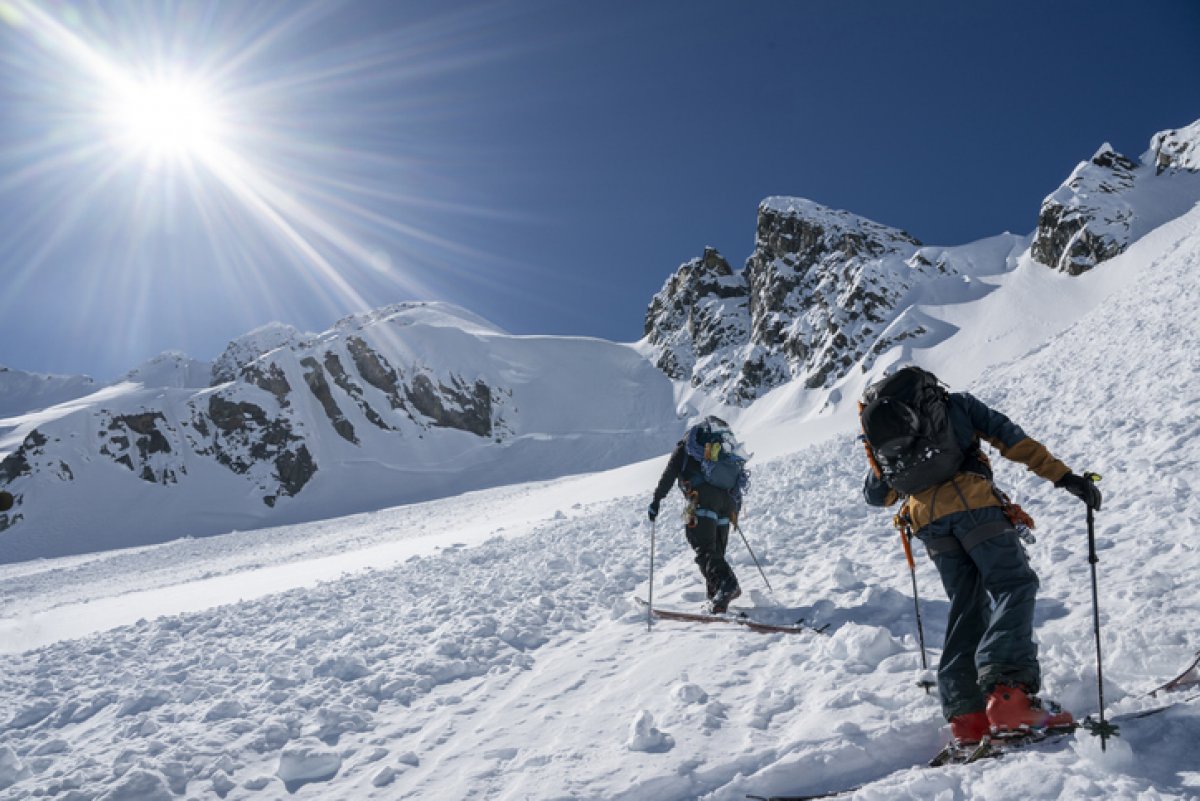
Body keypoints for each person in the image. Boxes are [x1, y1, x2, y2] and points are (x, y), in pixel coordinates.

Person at [859, 366, 1102, 745]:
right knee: (1014, 584)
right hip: (974, 506)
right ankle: (1009, 696)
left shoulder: (886, 430)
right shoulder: (954, 406)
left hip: (927, 523)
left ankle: (967, 716)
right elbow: (1011, 439)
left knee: (966, 605)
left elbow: (878, 495)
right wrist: (1064, 477)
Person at [647, 416, 749, 614]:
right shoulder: (720, 449)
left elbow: (669, 474)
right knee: (716, 552)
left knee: (704, 548)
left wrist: (657, 500)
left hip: (702, 500)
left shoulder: (685, 447)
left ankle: (727, 585)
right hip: (726, 504)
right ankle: (716, 598)